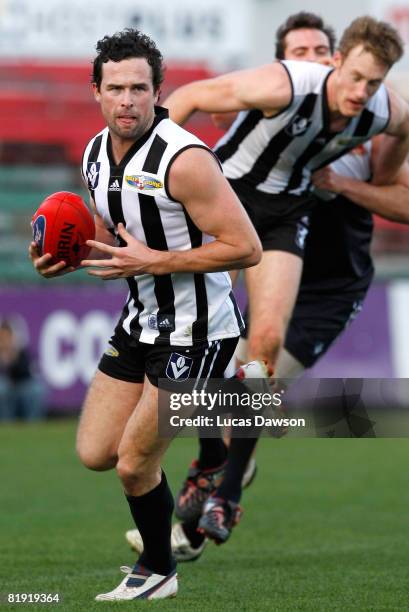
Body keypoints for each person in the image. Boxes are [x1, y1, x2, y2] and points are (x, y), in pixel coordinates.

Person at [126, 12, 409, 556]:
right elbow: (191, 96)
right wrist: (145, 175)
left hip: (283, 218)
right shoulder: (286, 82)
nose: (361, 92)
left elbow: (401, 126)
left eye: (373, 83)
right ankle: (210, 465)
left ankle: (224, 491)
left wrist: (381, 167)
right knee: (205, 343)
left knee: (264, 350)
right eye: (354, 78)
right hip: (228, 198)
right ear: (333, 63)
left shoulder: (380, 109)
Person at [29, 29, 261, 601]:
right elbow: (115, 237)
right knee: (94, 454)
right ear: (96, 92)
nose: (127, 100)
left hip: (199, 329)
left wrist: (159, 261)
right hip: (141, 323)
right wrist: (69, 257)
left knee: (134, 465)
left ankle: (158, 571)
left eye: (139, 88)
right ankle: (220, 436)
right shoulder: (92, 156)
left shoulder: (184, 160)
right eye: (116, 88)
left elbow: (246, 247)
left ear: (158, 92)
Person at [0, 319, 46, 421]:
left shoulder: (19, 350)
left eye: (7, 336)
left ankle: (32, 425)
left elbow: (26, 371)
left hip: (21, 385)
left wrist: (13, 358)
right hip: (6, 387)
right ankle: (5, 423)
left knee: (36, 389)